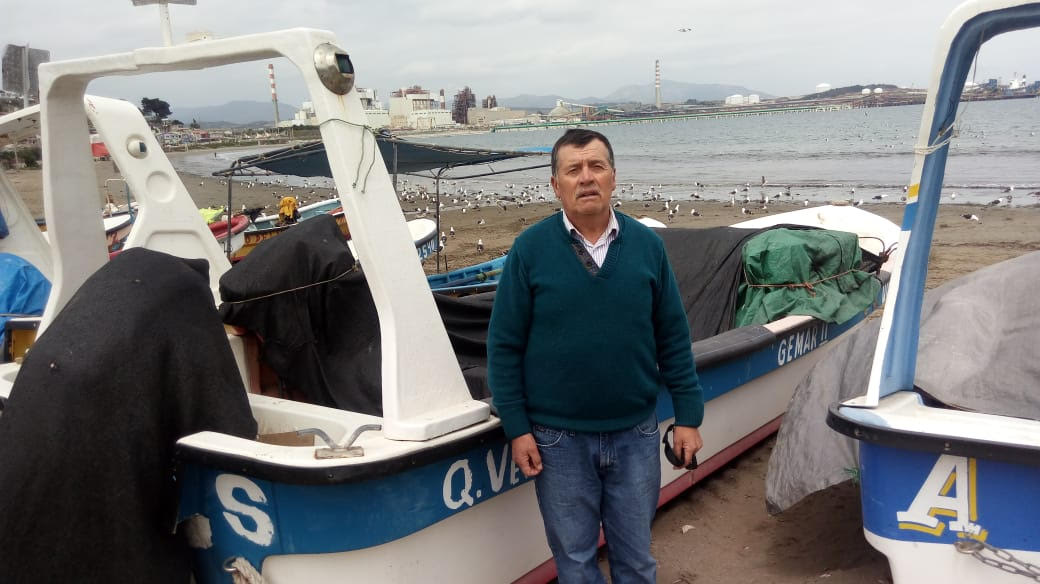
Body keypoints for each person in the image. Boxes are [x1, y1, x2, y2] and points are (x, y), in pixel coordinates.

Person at [488, 128, 704, 583]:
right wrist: (517, 429)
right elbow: (504, 347)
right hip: (557, 442)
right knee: (575, 563)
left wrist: (688, 415)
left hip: (636, 435)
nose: (586, 178)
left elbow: (673, 337)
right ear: (555, 184)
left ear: (612, 177)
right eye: (573, 169)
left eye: (596, 166)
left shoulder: (648, 246)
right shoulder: (530, 250)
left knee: (637, 561)